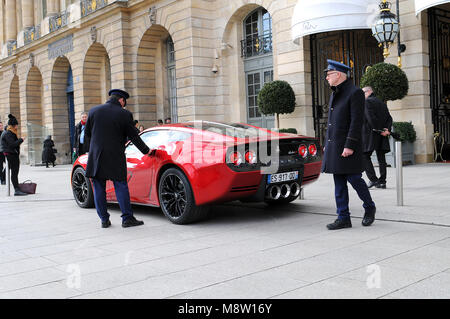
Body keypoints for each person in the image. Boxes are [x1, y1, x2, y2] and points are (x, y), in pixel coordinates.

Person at [85, 89, 153, 228]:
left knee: (98, 187)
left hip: (96, 155)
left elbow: (87, 134)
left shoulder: (93, 111)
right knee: (120, 185)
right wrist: (146, 150)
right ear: (121, 100)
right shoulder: (124, 114)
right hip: (115, 156)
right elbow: (134, 136)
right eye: (124, 103)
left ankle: (104, 220)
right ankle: (127, 218)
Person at [321, 60, 376, 230]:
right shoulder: (334, 93)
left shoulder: (355, 93)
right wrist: (327, 144)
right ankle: (343, 217)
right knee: (338, 182)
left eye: (329, 74)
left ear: (338, 74)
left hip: (347, 145)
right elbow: (331, 123)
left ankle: (369, 207)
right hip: (335, 145)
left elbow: (356, 121)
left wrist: (350, 145)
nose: (326, 78)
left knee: (354, 179)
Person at [361, 86, 393, 189]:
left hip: (371, 134)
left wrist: (379, 130)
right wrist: (386, 130)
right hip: (381, 133)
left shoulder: (367, 102)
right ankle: (382, 182)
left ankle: (373, 180)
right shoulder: (382, 102)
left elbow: (371, 118)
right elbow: (389, 118)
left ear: (368, 92)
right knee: (381, 158)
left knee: (364, 155)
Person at [0, 114, 27, 196]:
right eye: (16, 125)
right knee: (14, 173)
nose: (17, 127)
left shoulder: (10, 132)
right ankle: (16, 190)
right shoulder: (8, 133)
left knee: (14, 172)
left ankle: (17, 188)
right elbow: (12, 145)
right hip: (10, 154)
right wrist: (21, 140)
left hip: (12, 154)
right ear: (13, 125)